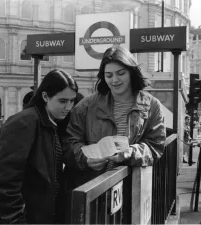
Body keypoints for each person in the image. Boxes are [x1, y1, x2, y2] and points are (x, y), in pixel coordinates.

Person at [62, 45, 166, 204]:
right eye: (108, 75)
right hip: (93, 191)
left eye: (121, 73)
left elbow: (155, 146)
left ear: (132, 72)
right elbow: (69, 143)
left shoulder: (152, 105)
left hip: (131, 191)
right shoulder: (86, 106)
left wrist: (131, 152)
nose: (115, 80)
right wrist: (85, 158)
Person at [0, 69, 78, 224]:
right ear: (45, 96)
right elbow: (1, 182)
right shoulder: (23, 123)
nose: (68, 107)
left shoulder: (50, 122)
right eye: (63, 101)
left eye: (72, 101)